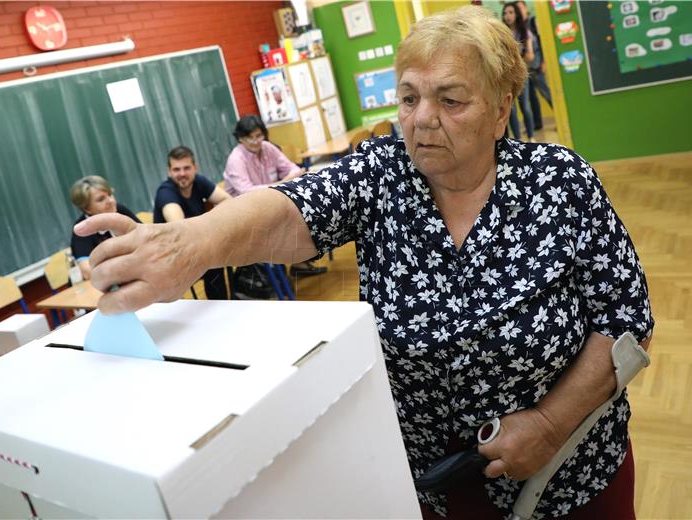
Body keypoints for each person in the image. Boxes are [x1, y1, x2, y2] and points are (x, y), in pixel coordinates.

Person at [77, 6, 653, 519]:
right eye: (408, 97)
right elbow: (288, 210)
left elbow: (626, 320)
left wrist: (550, 425)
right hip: (434, 489)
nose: (421, 118)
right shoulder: (382, 174)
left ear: (502, 110)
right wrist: (191, 243)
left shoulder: (560, 182)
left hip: (570, 480)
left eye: (450, 100)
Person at [223, 114, 326, 277]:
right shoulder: (236, 159)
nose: (256, 141)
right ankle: (283, 269)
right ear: (240, 139)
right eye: (250, 138)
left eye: (259, 136)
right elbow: (246, 192)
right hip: (243, 212)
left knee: (304, 210)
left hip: (268, 201)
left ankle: (299, 261)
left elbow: (293, 169)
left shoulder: (267, 147)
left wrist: (286, 180)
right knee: (285, 220)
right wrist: (281, 183)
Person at [153, 145, 232, 300]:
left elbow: (227, 201)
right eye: (176, 169)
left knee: (222, 257)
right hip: (171, 260)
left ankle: (224, 305)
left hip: (195, 249)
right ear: (169, 172)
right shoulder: (166, 192)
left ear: (195, 168)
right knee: (213, 262)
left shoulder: (199, 182)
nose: (182, 174)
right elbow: (179, 226)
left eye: (186, 168)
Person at [68, 175, 140, 280]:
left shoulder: (120, 210)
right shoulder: (82, 228)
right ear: (87, 209)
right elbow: (87, 272)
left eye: (110, 194)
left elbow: (146, 237)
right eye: (101, 199)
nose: (110, 201)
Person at [517, 0, 553, 131]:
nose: (519, 10)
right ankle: (537, 124)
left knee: (546, 92)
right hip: (526, 69)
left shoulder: (532, 21)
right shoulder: (519, 26)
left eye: (521, 7)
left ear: (526, 8)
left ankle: (559, 119)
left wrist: (543, 61)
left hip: (536, 65)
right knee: (532, 98)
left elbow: (541, 40)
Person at [503, 1, 535, 141]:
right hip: (506, 77)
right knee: (511, 110)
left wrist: (516, 62)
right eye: (505, 13)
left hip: (521, 75)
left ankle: (531, 136)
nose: (507, 16)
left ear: (516, 14)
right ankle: (517, 140)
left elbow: (530, 55)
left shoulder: (524, 32)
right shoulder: (502, 34)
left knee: (525, 106)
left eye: (510, 12)